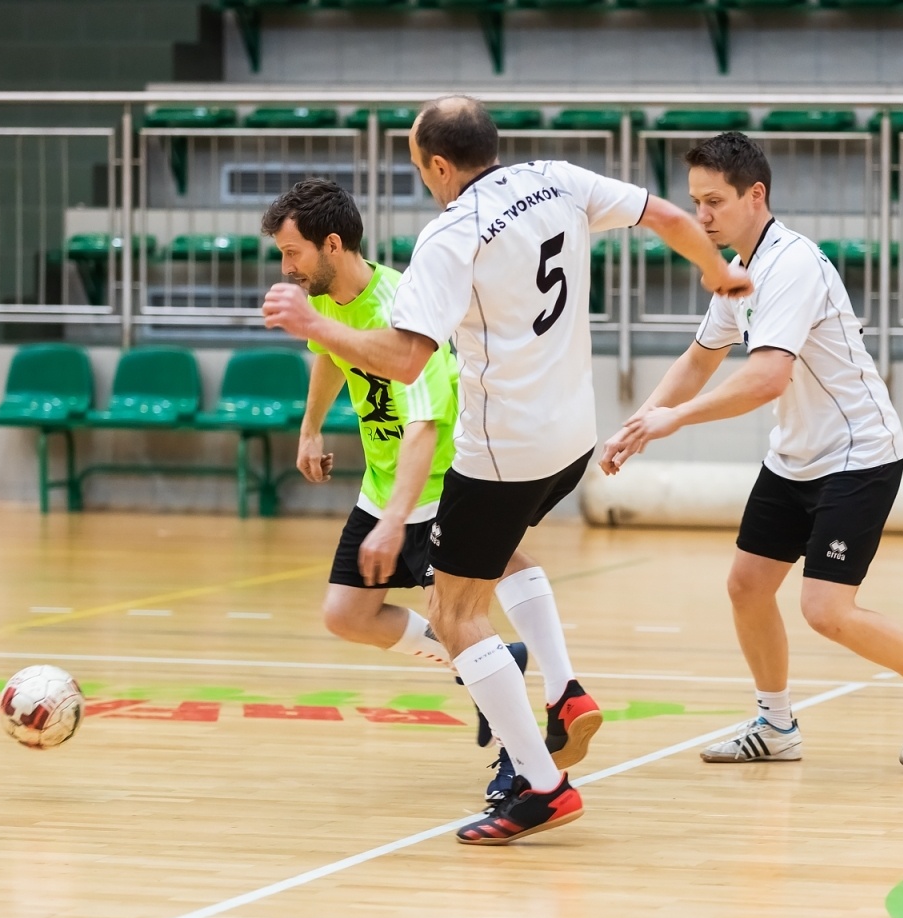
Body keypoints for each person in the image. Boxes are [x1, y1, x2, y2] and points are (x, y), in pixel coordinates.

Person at [264, 96, 751, 844]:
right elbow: (672, 220)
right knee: (491, 567)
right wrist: (720, 274)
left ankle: (542, 785)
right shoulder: (556, 177)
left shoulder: (448, 235)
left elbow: (405, 359)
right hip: (572, 438)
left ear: (436, 164)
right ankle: (564, 692)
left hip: (503, 450)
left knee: (456, 615)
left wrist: (311, 323)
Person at [600, 132, 903, 769]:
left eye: (714, 201)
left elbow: (767, 376)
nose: (702, 217)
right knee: (747, 586)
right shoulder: (733, 275)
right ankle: (776, 726)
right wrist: (638, 422)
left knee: (825, 610)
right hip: (795, 455)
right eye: (695, 202)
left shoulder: (792, 264)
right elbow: (699, 359)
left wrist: (676, 421)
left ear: (756, 194)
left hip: (859, 453)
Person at [265, 177, 527, 804]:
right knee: (346, 615)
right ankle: (490, 667)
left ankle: (522, 760)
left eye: (292, 253)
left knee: (460, 619)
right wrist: (309, 429)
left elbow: (424, 425)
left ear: (332, 244)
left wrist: (395, 520)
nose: (286, 267)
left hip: (441, 486)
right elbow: (331, 353)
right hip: (384, 485)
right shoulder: (326, 299)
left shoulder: (401, 307)